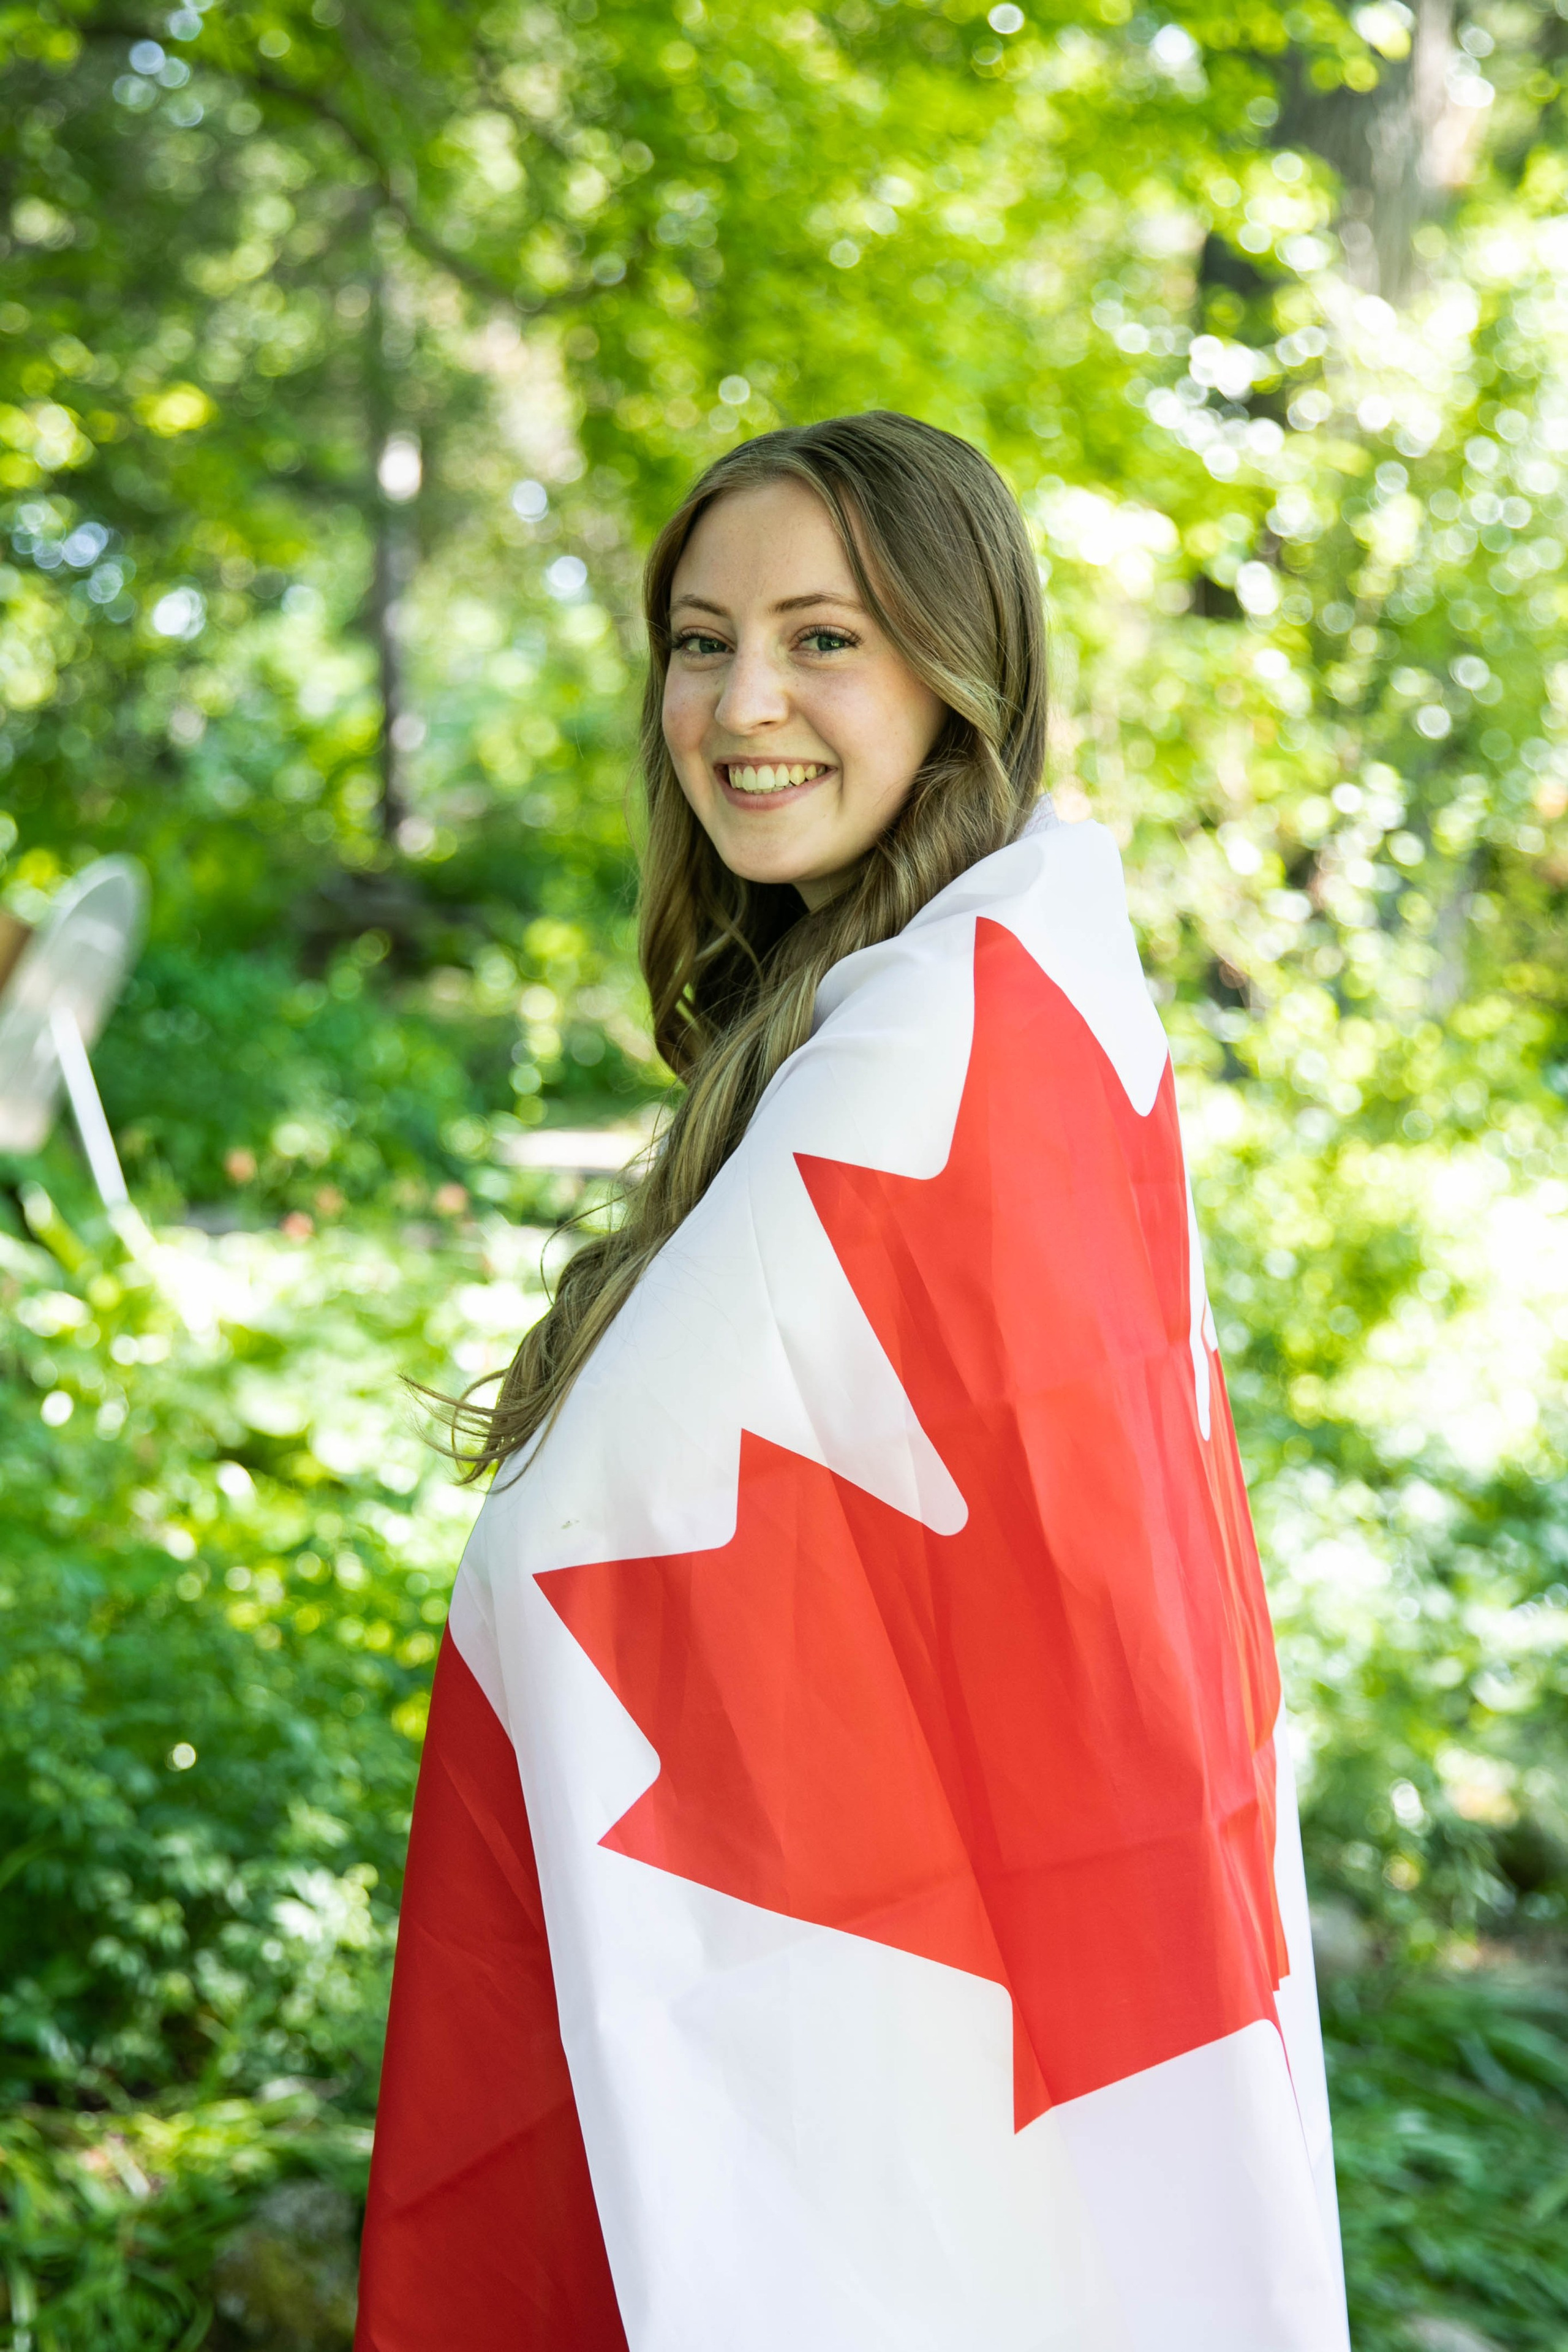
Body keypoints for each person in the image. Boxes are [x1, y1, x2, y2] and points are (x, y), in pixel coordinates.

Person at [355, 413, 1350, 2352]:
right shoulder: (990, 976)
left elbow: (583, 1546)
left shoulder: (950, 1016)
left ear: (959, 673)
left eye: (825, 639)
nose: (741, 704)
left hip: (949, 1941)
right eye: (701, 641)